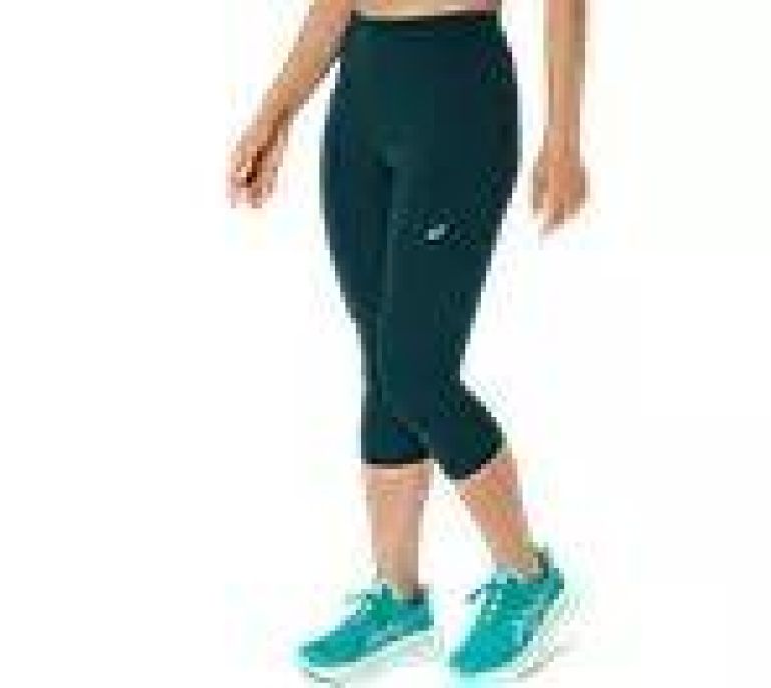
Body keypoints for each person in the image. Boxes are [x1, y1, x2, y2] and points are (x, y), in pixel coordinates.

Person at [228, 0, 587, 681]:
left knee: (416, 371)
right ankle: (398, 600)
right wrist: (274, 113)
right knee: (383, 360)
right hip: (361, 95)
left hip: (458, 95)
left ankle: (529, 578)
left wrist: (563, 137)